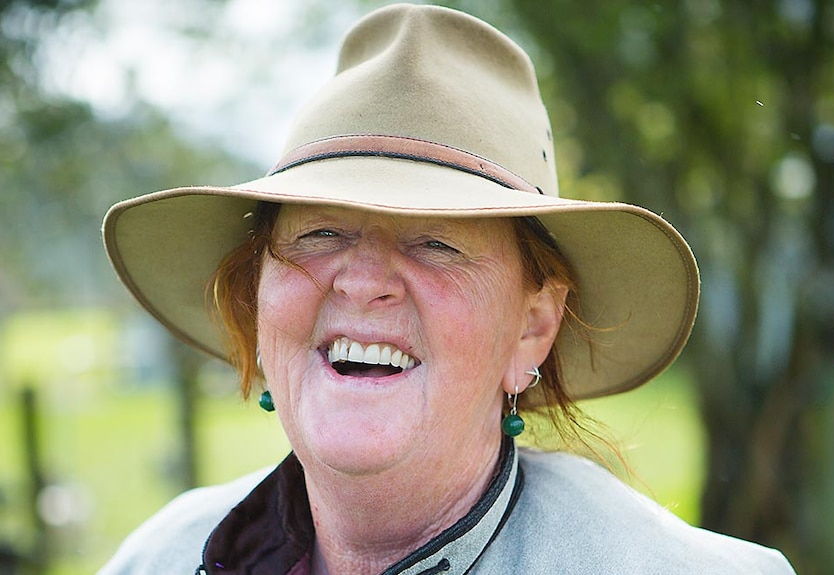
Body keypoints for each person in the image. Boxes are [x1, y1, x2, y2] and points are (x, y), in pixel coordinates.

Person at [98, 4, 795, 574]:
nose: (364, 281)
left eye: (437, 241)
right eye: (318, 233)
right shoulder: (158, 558)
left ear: (532, 329)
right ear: (257, 299)